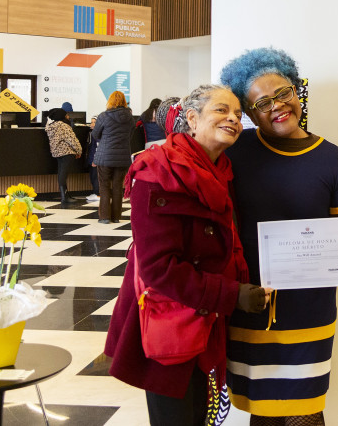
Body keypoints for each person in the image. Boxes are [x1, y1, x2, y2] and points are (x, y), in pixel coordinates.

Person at [220, 47, 338, 426]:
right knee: (263, 412)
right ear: (248, 112)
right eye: (262, 102)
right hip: (249, 304)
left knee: (304, 409)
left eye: (283, 93)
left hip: (310, 311)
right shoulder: (236, 153)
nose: (277, 106)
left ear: (297, 92)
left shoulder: (332, 159)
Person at [105, 84, 270, 426]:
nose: (233, 119)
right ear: (192, 118)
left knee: (200, 414)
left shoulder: (221, 171)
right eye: (221, 110)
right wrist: (232, 294)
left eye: (238, 114)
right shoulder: (157, 171)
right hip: (169, 321)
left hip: (207, 320)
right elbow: (158, 269)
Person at [91, 91, 133, 224]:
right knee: (117, 187)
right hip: (122, 157)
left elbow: (95, 134)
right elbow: (130, 135)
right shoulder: (130, 118)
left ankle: (104, 217)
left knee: (104, 186)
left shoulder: (103, 116)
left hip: (105, 156)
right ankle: (116, 217)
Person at [44, 107, 82, 206]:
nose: (68, 116)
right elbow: (72, 140)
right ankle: (64, 197)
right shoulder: (63, 126)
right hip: (67, 152)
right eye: (66, 115)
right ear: (62, 116)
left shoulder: (50, 126)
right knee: (63, 174)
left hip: (57, 153)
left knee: (61, 173)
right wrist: (79, 151)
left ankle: (65, 195)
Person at [86, 116, 100, 202]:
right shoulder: (92, 133)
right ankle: (95, 192)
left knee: (95, 177)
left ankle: (97, 193)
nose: (92, 124)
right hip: (93, 158)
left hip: (95, 159)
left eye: (94, 122)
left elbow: (96, 148)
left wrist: (94, 160)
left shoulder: (96, 134)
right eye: (91, 122)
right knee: (93, 176)